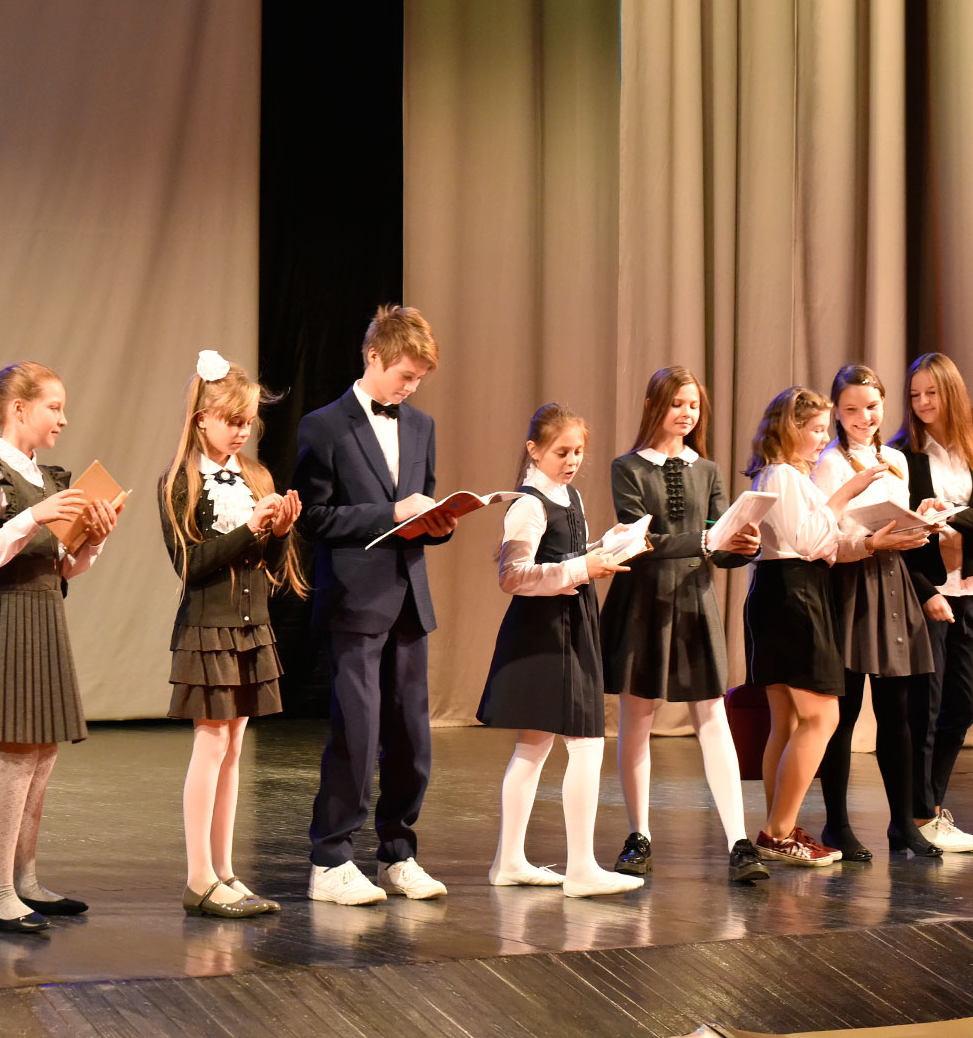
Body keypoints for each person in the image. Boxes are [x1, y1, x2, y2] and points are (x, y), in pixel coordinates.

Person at [296, 305, 455, 906]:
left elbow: (422, 503)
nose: (410, 388)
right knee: (358, 733)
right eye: (404, 376)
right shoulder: (323, 426)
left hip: (409, 596)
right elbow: (313, 517)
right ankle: (331, 858)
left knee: (413, 736)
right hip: (354, 598)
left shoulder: (421, 426)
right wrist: (389, 513)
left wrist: (438, 521)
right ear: (373, 356)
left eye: (419, 379)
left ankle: (398, 853)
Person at [0, 361, 119, 933]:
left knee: (43, 755)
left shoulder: (50, 479)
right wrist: (31, 515)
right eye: (54, 407)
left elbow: (62, 565)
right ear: (19, 409)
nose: (63, 419)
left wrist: (92, 541)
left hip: (45, 612)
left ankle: (24, 880)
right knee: (18, 758)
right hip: (6, 616)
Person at [600, 367, 766, 884]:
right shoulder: (628, 467)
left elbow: (720, 542)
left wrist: (743, 547)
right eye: (677, 403)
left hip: (694, 603)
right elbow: (639, 542)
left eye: (693, 405)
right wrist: (707, 541)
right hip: (642, 604)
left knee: (713, 716)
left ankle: (739, 841)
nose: (687, 413)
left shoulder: (708, 470)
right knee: (637, 717)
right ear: (654, 405)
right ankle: (638, 836)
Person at [157, 351, 303, 919]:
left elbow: (269, 565)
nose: (242, 432)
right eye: (232, 421)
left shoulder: (256, 477)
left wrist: (280, 532)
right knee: (212, 741)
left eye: (248, 422)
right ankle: (198, 878)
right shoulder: (180, 481)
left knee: (235, 746)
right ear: (202, 420)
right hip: (207, 626)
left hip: (251, 625)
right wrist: (249, 526)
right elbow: (191, 565)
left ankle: (224, 871)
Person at [480, 403, 646, 898]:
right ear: (534, 450)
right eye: (562, 452)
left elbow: (565, 555)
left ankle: (509, 861)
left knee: (535, 746)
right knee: (585, 743)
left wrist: (605, 546)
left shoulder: (568, 495)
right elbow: (513, 576)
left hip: (571, 623)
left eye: (578, 452)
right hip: (546, 631)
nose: (572, 461)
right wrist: (582, 568)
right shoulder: (528, 504)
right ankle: (580, 869)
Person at [743, 387, 885, 866]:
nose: (825, 439)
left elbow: (822, 543)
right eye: (818, 430)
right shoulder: (782, 474)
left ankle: (779, 826)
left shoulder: (789, 476)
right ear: (790, 429)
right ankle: (777, 832)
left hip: (788, 592)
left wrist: (872, 541)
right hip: (793, 595)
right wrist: (845, 493)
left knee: (787, 722)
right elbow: (805, 542)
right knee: (822, 718)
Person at [809, 365, 937, 859]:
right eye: (851, 409)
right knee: (842, 714)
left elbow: (898, 523)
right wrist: (872, 539)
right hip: (850, 583)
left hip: (892, 582)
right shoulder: (829, 463)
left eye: (872, 406)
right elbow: (826, 532)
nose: (864, 417)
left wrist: (921, 522)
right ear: (837, 413)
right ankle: (837, 825)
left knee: (897, 711)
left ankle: (902, 823)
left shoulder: (896, 457)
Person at [888, 352, 973, 852]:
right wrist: (926, 590)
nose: (924, 402)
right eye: (915, 395)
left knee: (964, 707)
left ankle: (930, 807)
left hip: (971, 589)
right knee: (924, 709)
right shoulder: (902, 456)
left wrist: (948, 516)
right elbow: (895, 530)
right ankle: (919, 815)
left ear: (952, 393)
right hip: (925, 593)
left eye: (932, 393)